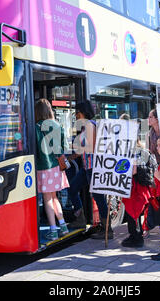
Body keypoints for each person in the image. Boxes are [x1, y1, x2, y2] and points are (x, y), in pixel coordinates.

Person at [67, 101, 111, 239]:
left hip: (93, 167)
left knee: (99, 198)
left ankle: (107, 229)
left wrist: (73, 155)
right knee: (72, 188)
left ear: (83, 112)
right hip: (88, 167)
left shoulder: (89, 125)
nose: (76, 116)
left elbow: (90, 148)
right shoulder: (89, 126)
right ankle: (80, 219)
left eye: (77, 113)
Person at [34, 98, 70, 240]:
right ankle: (63, 226)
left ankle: (53, 230)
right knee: (55, 197)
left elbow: (35, 148)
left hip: (44, 167)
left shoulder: (37, 127)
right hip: (56, 167)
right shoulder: (57, 125)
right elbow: (65, 147)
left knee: (47, 199)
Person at [121, 124, 156, 248]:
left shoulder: (132, 151)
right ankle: (135, 235)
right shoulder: (143, 150)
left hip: (134, 187)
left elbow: (133, 170)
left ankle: (136, 238)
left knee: (132, 213)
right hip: (141, 186)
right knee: (136, 213)